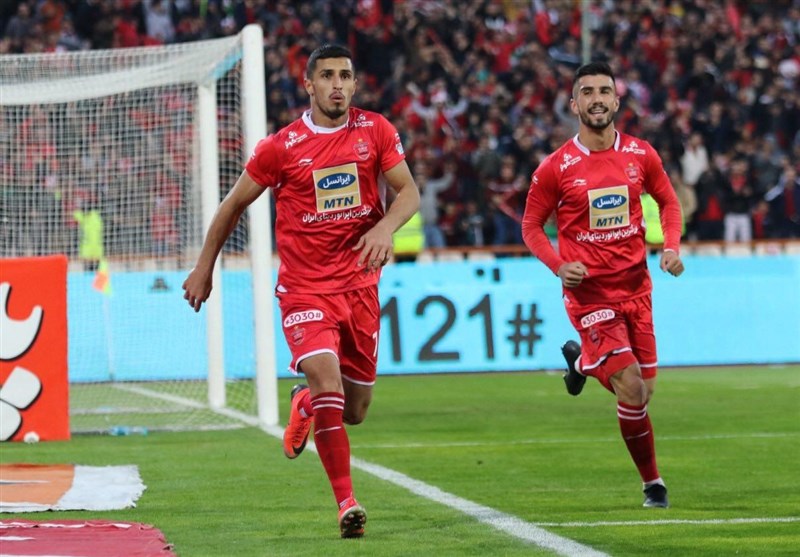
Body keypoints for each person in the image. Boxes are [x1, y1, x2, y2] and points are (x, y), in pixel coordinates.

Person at [181, 44, 420, 538]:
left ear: (355, 84)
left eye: (345, 76)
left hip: (360, 288)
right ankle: (346, 503)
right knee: (329, 384)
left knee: (354, 410)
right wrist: (205, 267)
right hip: (305, 291)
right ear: (308, 84)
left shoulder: (375, 130)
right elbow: (232, 206)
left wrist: (384, 228)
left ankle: (305, 404)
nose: (338, 85)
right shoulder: (282, 147)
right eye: (327, 76)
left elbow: (409, 192)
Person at [521, 62, 684, 509]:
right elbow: (531, 226)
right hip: (590, 295)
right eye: (588, 92)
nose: (597, 99)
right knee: (631, 387)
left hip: (637, 289)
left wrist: (670, 247)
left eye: (604, 91)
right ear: (574, 104)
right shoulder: (556, 167)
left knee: (645, 392)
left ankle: (582, 363)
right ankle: (653, 484)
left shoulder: (641, 154)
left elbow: (668, 202)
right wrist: (559, 265)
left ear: (617, 100)